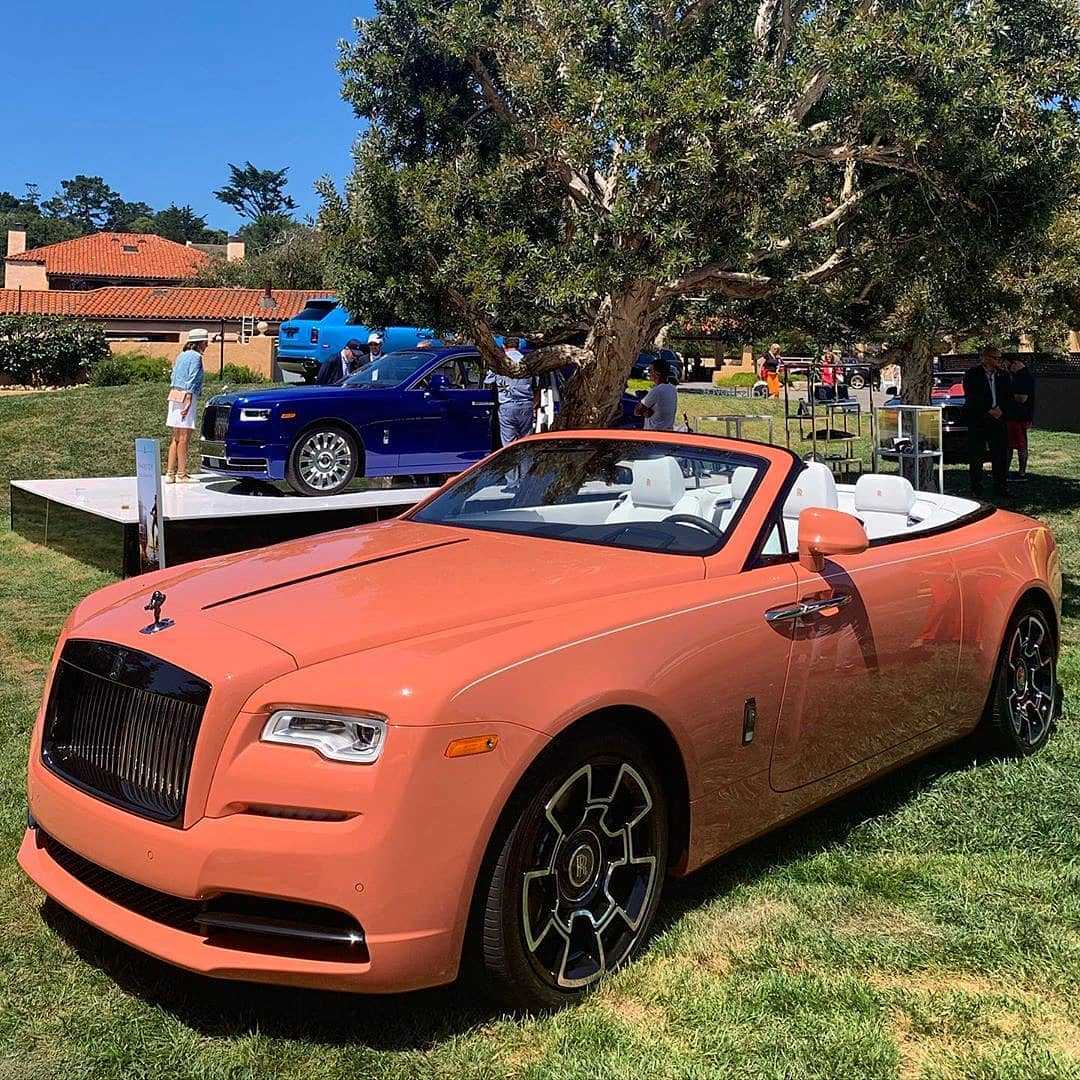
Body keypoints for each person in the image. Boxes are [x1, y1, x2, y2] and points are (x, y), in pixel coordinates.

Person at [962, 345, 1010, 497]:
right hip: (979, 418)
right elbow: (972, 396)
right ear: (985, 358)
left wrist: (1001, 409)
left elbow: (1008, 395)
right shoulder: (972, 374)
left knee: (1000, 454)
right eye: (995, 358)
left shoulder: (1003, 375)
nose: (998, 361)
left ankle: (1000, 488)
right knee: (977, 455)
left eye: (999, 358)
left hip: (999, 418)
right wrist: (988, 409)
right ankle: (976, 488)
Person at [165, 328, 208, 483]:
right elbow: (193, 377)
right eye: (206, 342)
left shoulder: (181, 355)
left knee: (175, 437)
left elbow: (173, 375)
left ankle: (170, 473)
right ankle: (182, 474)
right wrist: (188, 398)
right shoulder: (196, 357)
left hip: (174, 395)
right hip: (186, 396)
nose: (207, 345)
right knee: (184, 437)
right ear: (200, 343)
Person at [486, 339, 536, 445]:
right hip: (526, 405)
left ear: (504, 346)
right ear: (518, 345)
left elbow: (488, 381)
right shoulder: (527, 362)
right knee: (526, 441)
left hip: (507, 406)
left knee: (508, 443)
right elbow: (535, 383)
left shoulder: (499, 363)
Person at [1006, 355, 1035, 481]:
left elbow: (1022, 398)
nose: (1008, 368)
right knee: (1014, 445)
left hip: (1017, 416)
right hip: (1021, 416)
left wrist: (1007, 396)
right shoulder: (1025, 376)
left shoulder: (1022, 377)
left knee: (1017, 446)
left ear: (1016, 363)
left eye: (1009, 365)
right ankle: (1015, 472)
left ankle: (1019, 473)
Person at [635, 357, 678, 431]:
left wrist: (642, 399)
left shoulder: (656, 391)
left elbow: (637, 411)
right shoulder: (673, 389)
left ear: (657, 373)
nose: (649, 373)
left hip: (654, 433)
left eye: (650, 370)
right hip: (668, 432)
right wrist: (647, 411)